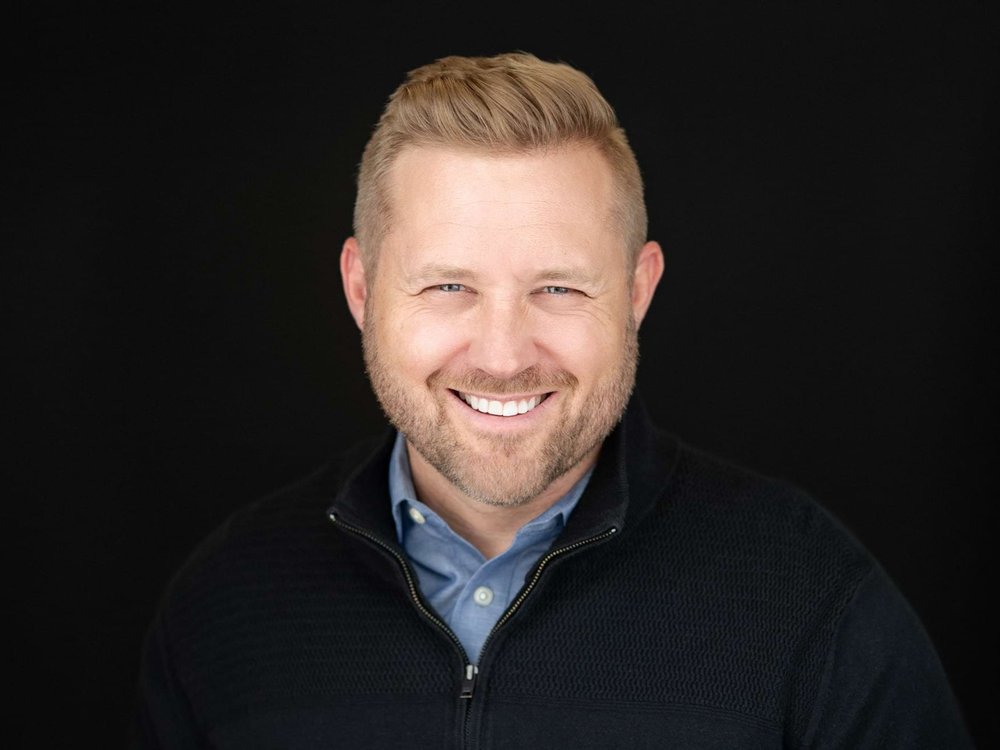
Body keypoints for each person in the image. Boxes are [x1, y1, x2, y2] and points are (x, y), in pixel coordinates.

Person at [134, 52, 972, 748]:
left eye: (560, 288)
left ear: (639, 291)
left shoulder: (813, 602)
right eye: (450, 284)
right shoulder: (226, 607)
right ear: (361, 289)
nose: (503, 354)